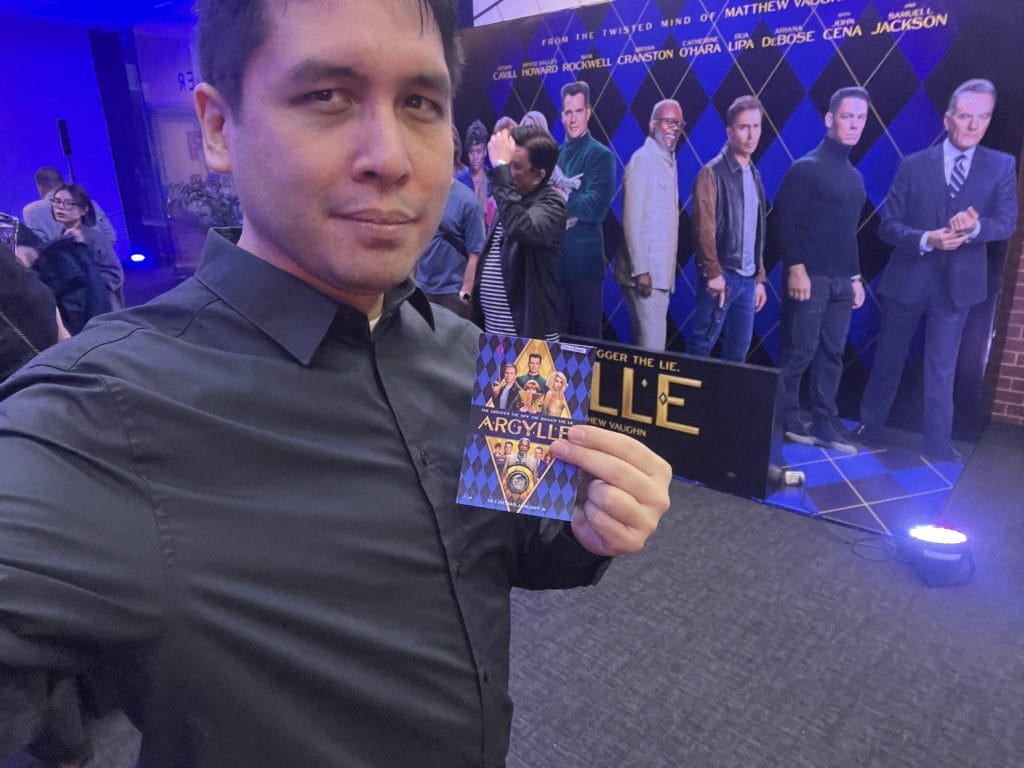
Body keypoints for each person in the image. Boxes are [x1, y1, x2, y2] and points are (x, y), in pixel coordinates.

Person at [0, 2, 672, 768]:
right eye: (327, 95)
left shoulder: (492, 358)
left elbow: (522, 547)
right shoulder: (93, 411)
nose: (390, 156)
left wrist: (592, 527)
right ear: (217, 128)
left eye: (420, 102)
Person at [856, 79, 1018, 462]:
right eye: (965, 116)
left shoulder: (1001, 165)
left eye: (983, 117)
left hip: (956, 286)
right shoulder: (913, 165)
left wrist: (974, 229)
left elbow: (1007, 223)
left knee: (942, 367)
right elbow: (888, 226)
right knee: (889, 357)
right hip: (908, 279)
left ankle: (937, 443)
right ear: (948, 120)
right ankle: (869, 426)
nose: (974, 125)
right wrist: (928, 238)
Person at [771, 87, 870, 454]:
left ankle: (825, 422)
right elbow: (784, 222)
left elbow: (847, 233)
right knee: (799, 351)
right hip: (810, 277)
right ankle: (785, 419)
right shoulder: (806, 168)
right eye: (847, 116)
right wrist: (796, 268)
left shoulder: (855, 178)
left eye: (861, 118)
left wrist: (856, 277)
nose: (854, 124)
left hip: (842, 281)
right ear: (830, 119)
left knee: (832, 354)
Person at [687, 96, 768, 361]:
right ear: (730, 131)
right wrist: (713, 272)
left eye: (756, 126)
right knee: (702, 344)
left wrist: (759, 278)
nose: (751, 135)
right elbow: (703, 228)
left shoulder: (754, 174)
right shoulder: (711, 173)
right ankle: (690, 391)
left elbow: (756, 231)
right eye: (744, 127)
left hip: (747, 278)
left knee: (738, 352)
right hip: (722, 274)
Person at [473, 125, 564, 339]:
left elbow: (522, 228)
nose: (507, 172)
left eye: (515, 167)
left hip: (531, 338)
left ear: (538, 175)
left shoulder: (552, 204)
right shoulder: (511, 200)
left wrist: (501, 168)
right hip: (494, 334)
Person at [616, 99, 683, 350]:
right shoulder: (643, 160)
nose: (674, 128)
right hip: (645, 276)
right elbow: (631, 219)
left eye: (679, 124)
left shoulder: (667, 160)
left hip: (659, 277)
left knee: (648, 351)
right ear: (652, 124)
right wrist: (641, 270)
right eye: (669, 122)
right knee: (652, 350)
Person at [553, 81, 616, 338]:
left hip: (585, 269)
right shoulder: (554, 155)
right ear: (562, 115)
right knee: (553, 344)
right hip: (555, 266)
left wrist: (561, 198)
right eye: (568, 112)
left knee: (587, 347)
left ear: (588, 112)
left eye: (578, 111)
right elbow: (543, 206)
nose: (573, 119)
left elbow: (597, 207)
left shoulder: (601, 155)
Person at [415, 132, 486, 320]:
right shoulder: (421, 196)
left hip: (452, 293)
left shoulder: (468, 201)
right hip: (422, 289)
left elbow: (475, 253)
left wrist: (465, 293)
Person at [48, 183, 125, 310]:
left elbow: (115, 275)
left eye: (69, 203)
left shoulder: (95, 239)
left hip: (100, 308)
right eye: (57, 201)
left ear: (84, 210)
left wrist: (83, 284)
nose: (60, 207)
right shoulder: (57, 238)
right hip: (74, 308)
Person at [22, 166, 117, 246]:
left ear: (39, 187)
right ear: (62, 182)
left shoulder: (32, 210)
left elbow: (38, 248)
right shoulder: (90, 203)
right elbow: (111, 237)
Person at [457, 118, 490, 216]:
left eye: (479, 151)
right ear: (467, 153)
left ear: (485, 151)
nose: (475, 157)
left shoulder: (494, 180)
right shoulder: (460, 183)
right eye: (472, 152)